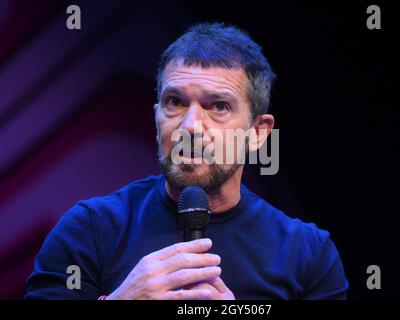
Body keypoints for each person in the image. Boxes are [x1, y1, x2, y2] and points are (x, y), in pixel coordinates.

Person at [25, 23, 349, 300]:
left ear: (257, 132)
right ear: (157, 118)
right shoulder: (88, 231)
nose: (190, 126)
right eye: (175, 102)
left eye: (218, 106)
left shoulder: (307, 253)